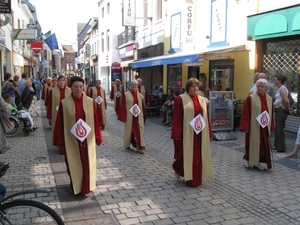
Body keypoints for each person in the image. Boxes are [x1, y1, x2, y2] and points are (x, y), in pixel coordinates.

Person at [53, 76, 102, 195]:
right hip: (71, 140)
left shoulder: (90, 102)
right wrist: (59, 142)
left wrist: (97, 137)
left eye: (80, 86)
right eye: (75, 87)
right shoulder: (64, 103)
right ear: (71, 87)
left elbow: (95, 120)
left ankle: (85, 187)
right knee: (73, 163)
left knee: (87, 164)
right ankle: (76, 185)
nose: (78, 89)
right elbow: (60, 122)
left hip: (87, 140)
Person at [171, 78, 214, 187]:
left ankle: (194, 179)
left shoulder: (203, 100)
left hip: (199, 134)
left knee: (197, 156)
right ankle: (180, 169)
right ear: (188, 87)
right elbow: (177, 117)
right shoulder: (180, 99)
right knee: (184, 154)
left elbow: (206, 117)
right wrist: (177, 133)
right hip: (186, 133)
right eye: (192, 86)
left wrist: (209, 132)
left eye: (197, 86)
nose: (195, 88)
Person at [239, 79, 275, 170]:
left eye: (261, 87)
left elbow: (270, 113)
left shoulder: (269, 99)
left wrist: (271, 125)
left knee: (262, 145)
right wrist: (245, 126)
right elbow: (246, 112)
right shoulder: (250, 98)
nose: (259, 88)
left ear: (265, 88)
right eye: (258, 86)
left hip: (264, 126)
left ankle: (257, 162)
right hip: (253, 126)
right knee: (252, 143)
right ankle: (247, 159)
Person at [118, 79, 146, 154]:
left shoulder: (139, 95)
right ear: (130, 86)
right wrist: (123, 117)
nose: (134, 86)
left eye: (135, 85)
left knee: (138, 132)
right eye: (133, 85)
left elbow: (142, 107)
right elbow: (123, 106)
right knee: (129, 131)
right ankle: (127, 144)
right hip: (130, 117)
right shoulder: (126, 94)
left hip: (137, 118)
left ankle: (138, 147)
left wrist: (144, 116)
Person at [47, 75, 71, 151]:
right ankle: (59, 144)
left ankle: (67, 144)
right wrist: (49, 115)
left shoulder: (69, 90)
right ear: (57, 82)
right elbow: (50, 103)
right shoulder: (53, 91)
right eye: (60, 80)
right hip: (56, 114)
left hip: (67, 114)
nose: (61, 82)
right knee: (58, 129)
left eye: (63, 80)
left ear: (65, 81)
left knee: (67, 128)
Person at [273, 74, 290, 152]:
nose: (274, 81)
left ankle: (281, 147)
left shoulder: (282, 89)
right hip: (278, 110)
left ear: (280, 81)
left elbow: (286, 100)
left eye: (275, 80)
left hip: (281, 110)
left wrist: (288, 110)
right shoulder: (281, 88)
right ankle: (277, 145)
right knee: (278, 129)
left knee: (279, 129)